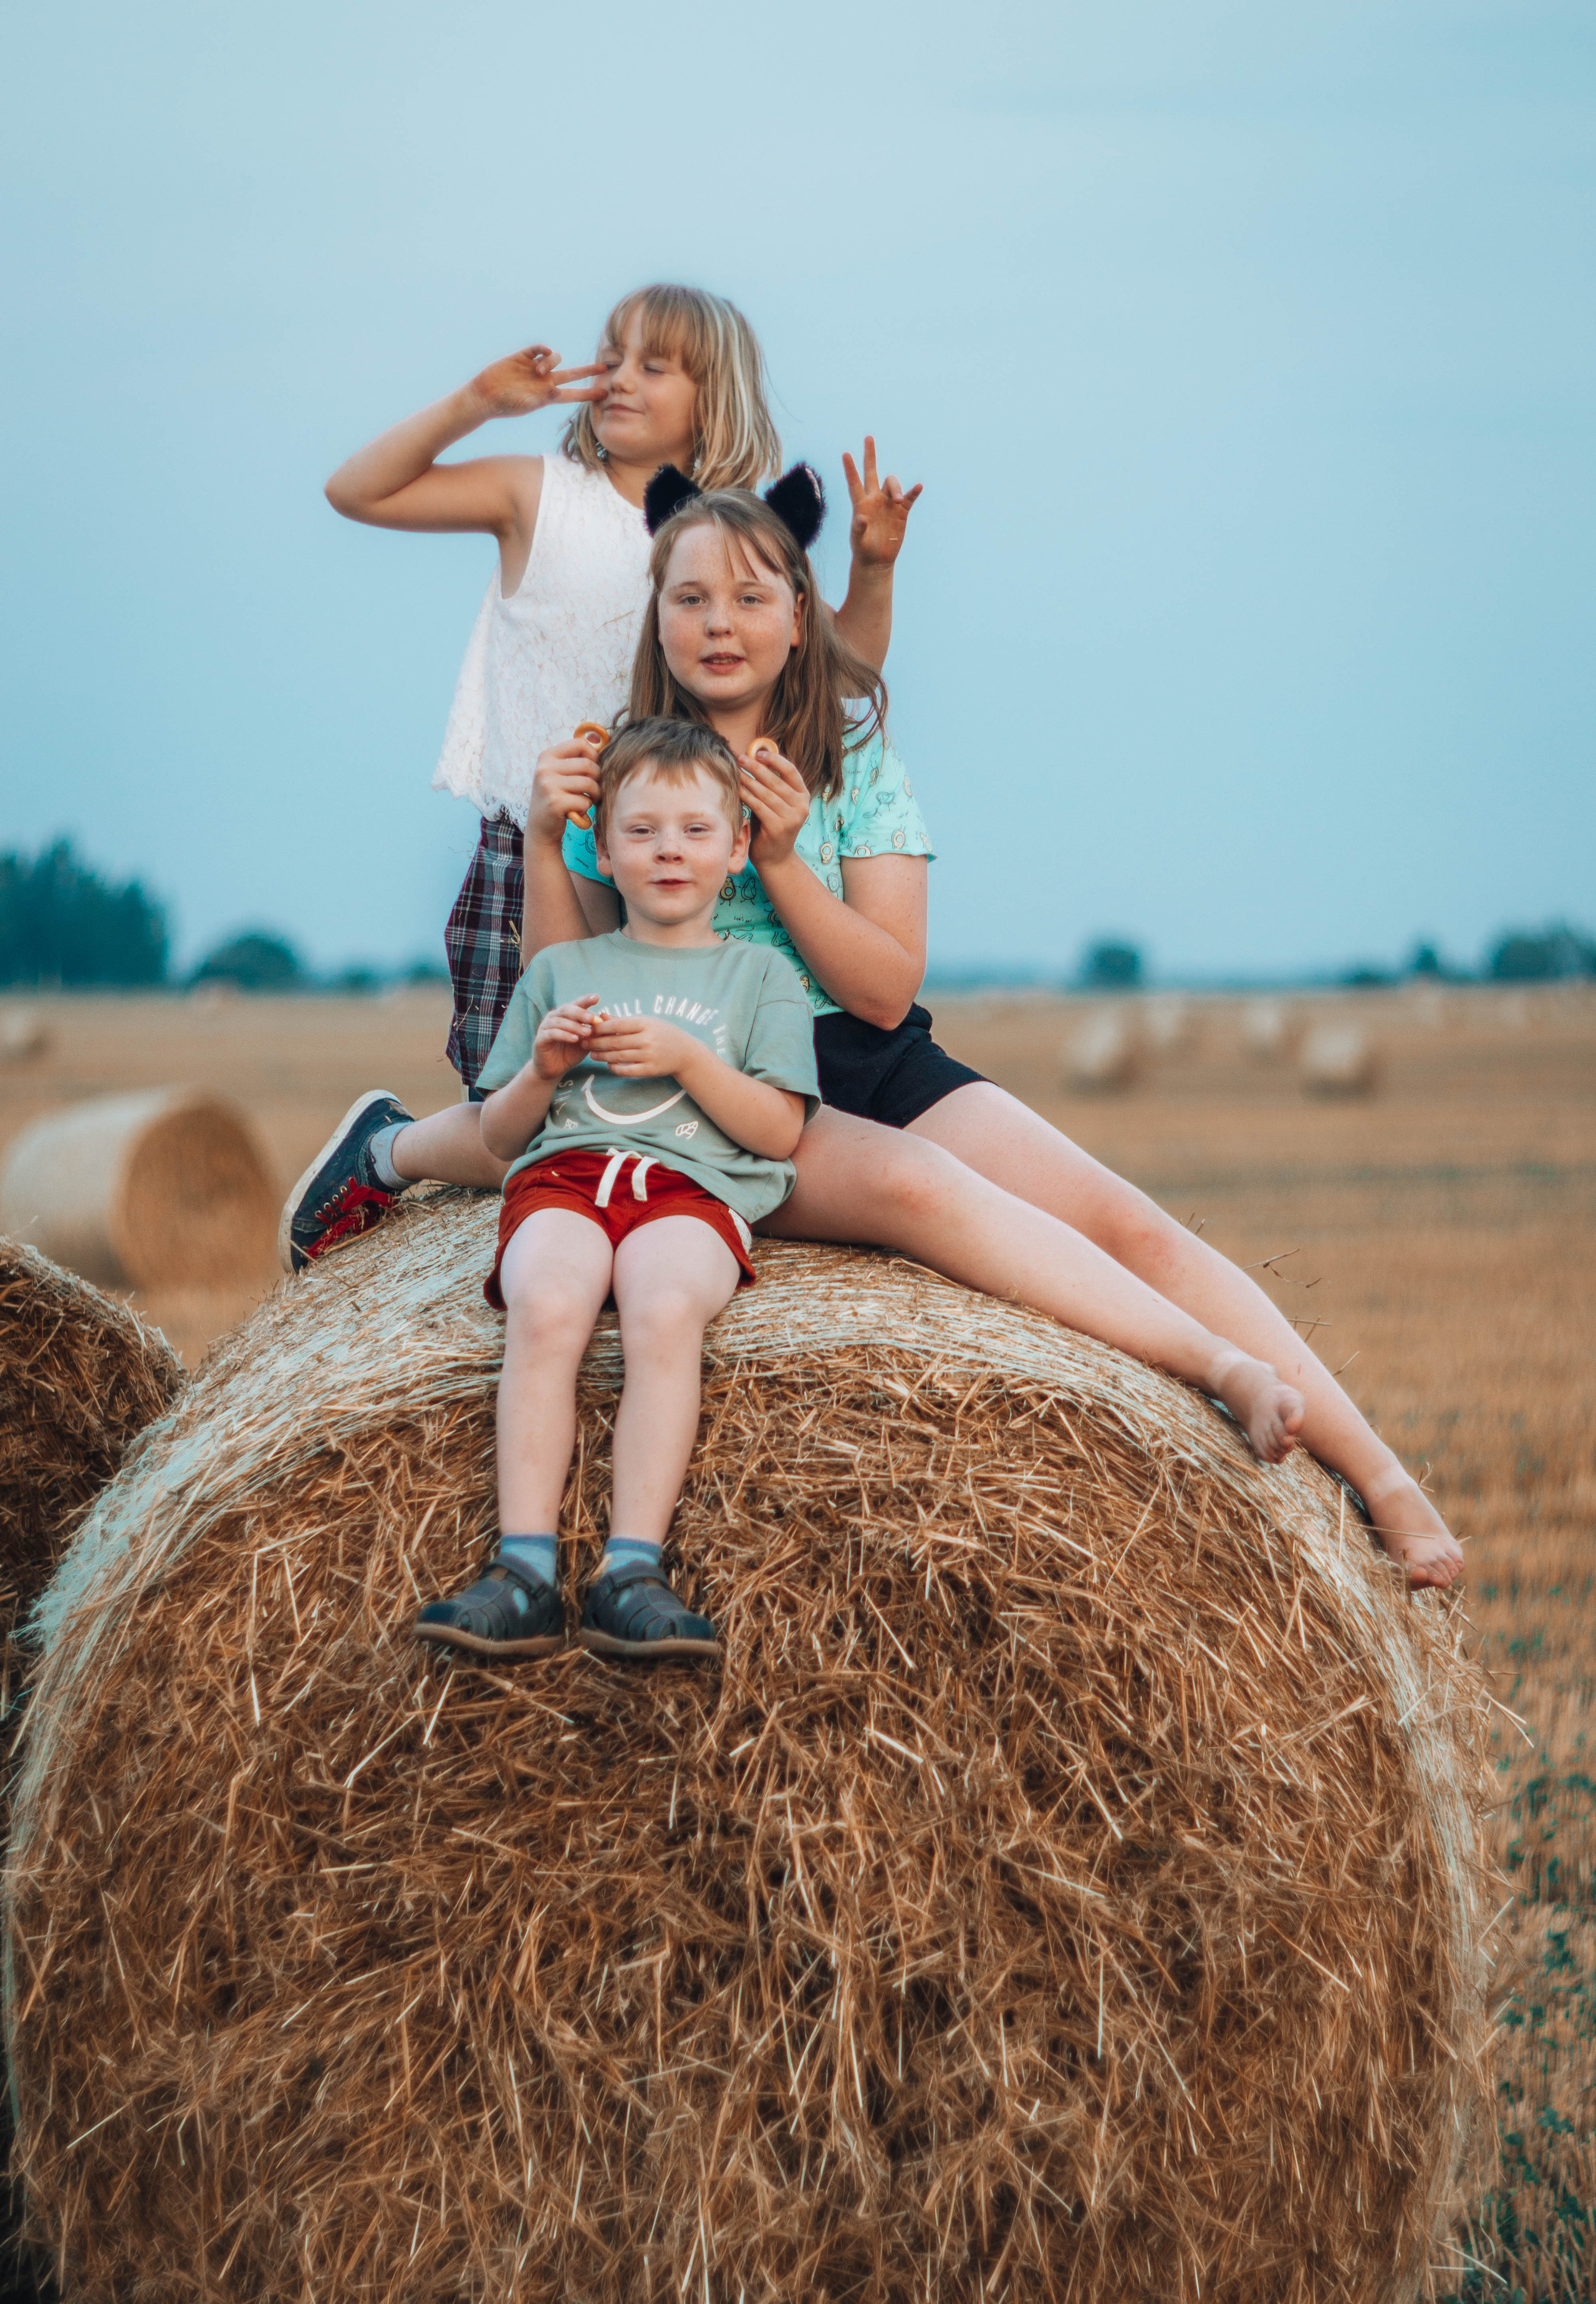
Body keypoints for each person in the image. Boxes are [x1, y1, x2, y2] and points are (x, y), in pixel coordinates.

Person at [438, 470, 1463, 1586]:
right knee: (927, 1192)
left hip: (869, 1049)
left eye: (748, 597)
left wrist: (780, 861)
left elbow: (883, 989)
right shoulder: (630, 777)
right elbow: (563, 979)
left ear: (799, 618)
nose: (718, 623)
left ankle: (1382, 1475)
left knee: (1128, 1220)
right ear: (657, 618)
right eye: (689, 599)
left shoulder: (852, 764)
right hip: (727, 1088)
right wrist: (547, 840)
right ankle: (1214, 1366)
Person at [280, 282, 918, 1264]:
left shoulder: (730, 532)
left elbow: (838, 675)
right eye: (610, 356)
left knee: (650, 1105)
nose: (616, 378)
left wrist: (871, 572)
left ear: (717, 396)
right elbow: (355, 492)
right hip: (547, 835)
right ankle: (390, 1152)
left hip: (675, 856)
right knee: (531, 1111)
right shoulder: (540, 495)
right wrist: (475, 405)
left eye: (652, 364)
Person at [413, 719, 819, 1666]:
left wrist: (686, 1058)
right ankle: (522, 1571)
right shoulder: (562, 970)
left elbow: (780, 1130)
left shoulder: (761, 975)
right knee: (548, 1303)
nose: (668, 849)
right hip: (566, 1176)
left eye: (692, 830)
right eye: (641, 831)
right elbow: (501, 1136)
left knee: (665, 1305)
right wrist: (542, 1069)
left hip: (689, 1186)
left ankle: (631, 1571)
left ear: (738, 848)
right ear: (603, 844)